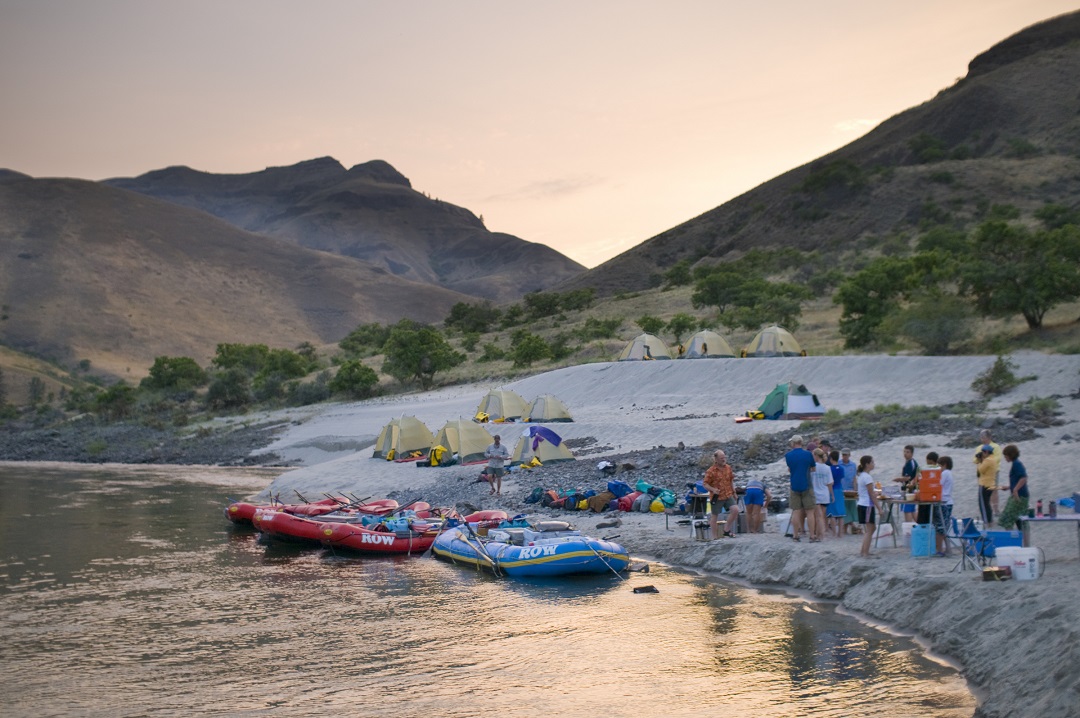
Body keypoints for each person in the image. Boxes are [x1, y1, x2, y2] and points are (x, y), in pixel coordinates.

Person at [785, 435, 817, 542]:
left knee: (796, 511)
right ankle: (812, 536)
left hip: (794, 485)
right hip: (807, 485)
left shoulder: (788, 455)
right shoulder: (808, 454)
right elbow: (813, 468)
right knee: (810, 512)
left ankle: (795, 535)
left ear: (793, 443)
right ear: (801, 443)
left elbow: (790, 469)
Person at [703, 449, 739, 539]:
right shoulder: (711, 471)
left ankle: (726, 530)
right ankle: (714, 536)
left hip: (728, 494)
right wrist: (712, 489)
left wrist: (734, 492)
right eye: (721, 458)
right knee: (714, 516)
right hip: (717, 497)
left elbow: (731, 480)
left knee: (735, 510)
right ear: (716, 459)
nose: (723, 460)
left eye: (724, 457)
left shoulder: (728, 468)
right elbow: (705, 484)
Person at [997, 444, 1029, 530]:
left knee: (1007, 518)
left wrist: (1015, 490)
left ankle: (1013, 539)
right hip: (1018, 494)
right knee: (1018, 519)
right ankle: (1020, 539)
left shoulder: (1017, 464)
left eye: (1005, 456)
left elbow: (1024, 478)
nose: (1005, 458)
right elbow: (1017, 480)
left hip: (1020, 496)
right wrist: (1009, 487)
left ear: (1010, 455)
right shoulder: (1015, 464)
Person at [856, 455, 881, 558]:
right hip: (867, 505)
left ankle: (864, 550)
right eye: (872, 462)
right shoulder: (867, 477)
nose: (873, 464)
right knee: (870, 529)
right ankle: (865, 552)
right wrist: (879, 508)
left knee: (871, 528)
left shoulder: (862, 475)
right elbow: (871, 495)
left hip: (862, 503)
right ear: (867, 464)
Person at [974, 429, 1002, 514]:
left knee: (994, 490)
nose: (982, 439)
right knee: (984, 491)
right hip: (982, 472)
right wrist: (979, 458)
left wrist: (986, 460)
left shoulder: (996, 447)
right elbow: (975, 460)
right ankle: (987, 508)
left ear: (989, 437)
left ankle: (996, 509)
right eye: (981, 437)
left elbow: (997, 458)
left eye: (984, 437)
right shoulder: (979, 447)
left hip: (993, 472)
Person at [934, 455, 955, 556]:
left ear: (945, 465)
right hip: (948, 501)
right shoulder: (949, 473)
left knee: (940, 527)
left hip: (944, 502)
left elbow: (938, 484)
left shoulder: (945, 473)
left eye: (940, 466)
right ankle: (947, 549)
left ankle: (939, 549)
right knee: (944, 526)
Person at [811, 448, 833, 542]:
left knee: (818, 516)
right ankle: (819, 534)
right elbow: (830, 483)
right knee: (821, 516)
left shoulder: (812, 467)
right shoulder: (827, 468)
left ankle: (821, 535)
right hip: (825, 494)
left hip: (815, 494)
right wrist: (832, 495)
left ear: (816, 456)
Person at [975, 443, 999, 525]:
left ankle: (986, 522)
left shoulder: (988, 460)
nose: (982, 453)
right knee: (987, 504)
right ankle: (990, 520)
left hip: (984, 484)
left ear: (986, 452)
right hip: (991, 484)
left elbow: (980, 470)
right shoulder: (993, 459)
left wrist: (979, 461)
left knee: (983, 505)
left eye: (983, 452)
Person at [895, 445, 919, 522]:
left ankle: (908, 527)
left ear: (912, 453)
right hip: (912, 489)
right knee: (912, 510)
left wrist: (898, 479)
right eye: (904, 452)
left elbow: (908, 477)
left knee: (907, 510)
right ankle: (920, 526)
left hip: (909, 490)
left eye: (907, 452)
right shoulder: (910, 462)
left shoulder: (910, 463)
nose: (905, 454)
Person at [826, 450, 847, 538]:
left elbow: (829, 482)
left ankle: (834, 533)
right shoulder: (842, 468)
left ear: (831, 458)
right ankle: (840, 533)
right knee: (841, 512)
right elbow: (842, 478)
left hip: (832, 490)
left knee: (832, 513)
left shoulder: (829, 469)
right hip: (839, 489)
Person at [839, 448, 859, 534]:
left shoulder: (853, 465)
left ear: (849, 455)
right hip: (841, 489)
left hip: (851, 490)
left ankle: (850, 527)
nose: (844, 456)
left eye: (846, 455)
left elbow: (854, 478)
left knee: (851, 508)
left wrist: (855, 490)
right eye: (843, 455)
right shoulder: (839, 464)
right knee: (844, 509)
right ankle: (851, 527)